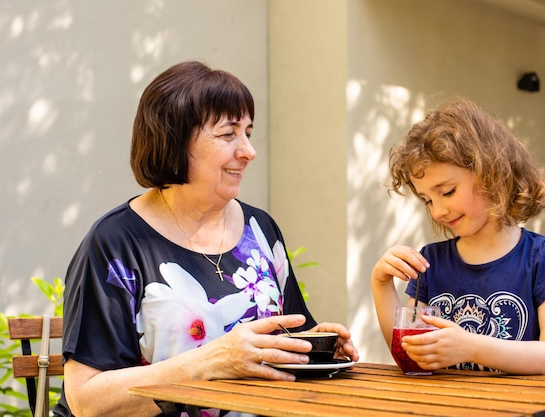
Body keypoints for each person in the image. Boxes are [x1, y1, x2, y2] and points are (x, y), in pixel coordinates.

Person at [54, 61, 359, 417]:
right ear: (175, 141)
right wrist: (209, 362)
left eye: (248, 132)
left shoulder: (260, 229)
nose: (248, 150)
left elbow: (289, 341)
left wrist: (320, 347)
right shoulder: (116, 242)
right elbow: (86, 401)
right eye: (229, 135)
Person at [371, 98, 545, 375]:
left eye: (447, 192)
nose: (438, 211)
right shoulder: (431, 262)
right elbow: (410, 353)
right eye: (427, 200)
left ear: (492, 174)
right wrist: (381, 284)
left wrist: (471, 346)